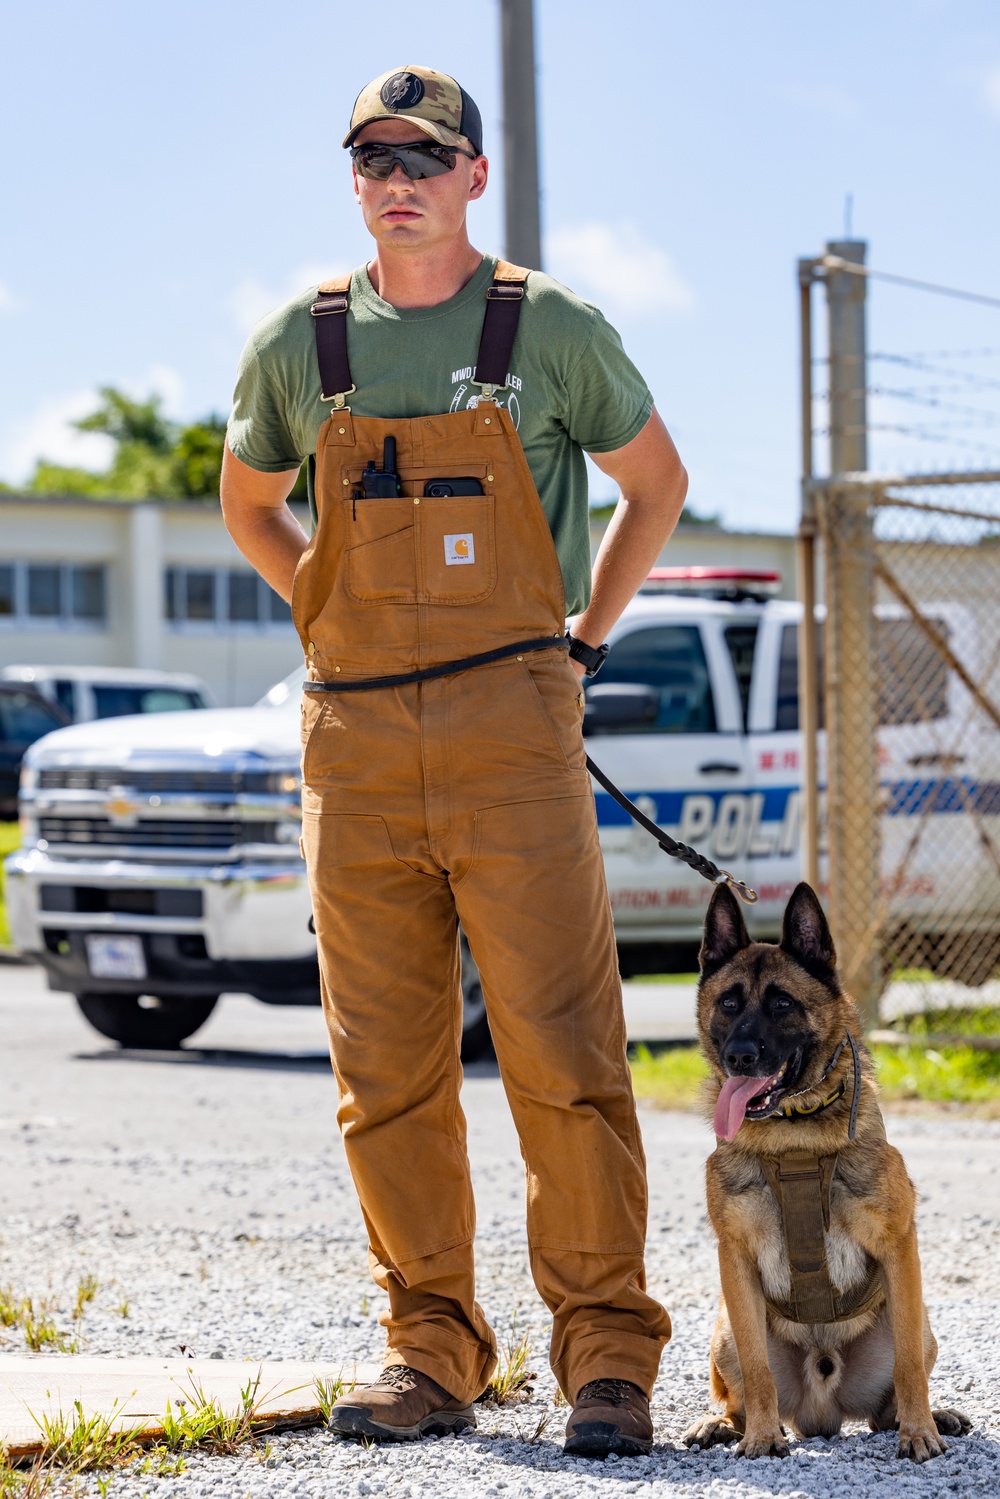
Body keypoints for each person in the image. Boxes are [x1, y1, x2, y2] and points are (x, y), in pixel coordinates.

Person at [221, 63, 688, 1458]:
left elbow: (654, 485)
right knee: (388, 1068)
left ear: (474, 176)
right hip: (354, 746)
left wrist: (582, 643)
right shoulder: (300, 346)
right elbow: (248, 502)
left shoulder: (546, 326)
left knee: (564, 1049)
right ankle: (429, 1348)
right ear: (353, 183)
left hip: (512, 733)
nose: (397, 178)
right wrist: (325, 605)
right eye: (373, 158)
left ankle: (607, 1357)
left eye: (424, 156)